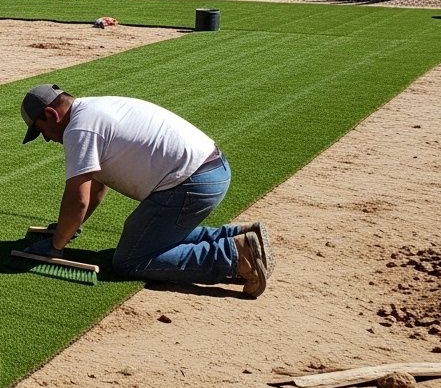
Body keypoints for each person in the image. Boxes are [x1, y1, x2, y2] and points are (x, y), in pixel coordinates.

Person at [19, 83, 272, 297]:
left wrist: (55, 246)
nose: (48, 139)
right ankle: (241, 235)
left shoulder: (78, 129)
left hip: (192, 183)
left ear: (51, 114)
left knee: (130, 260)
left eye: (42, 131)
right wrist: (68, 228)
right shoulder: (93, 108)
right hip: (211, 170)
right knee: (146, 236)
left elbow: (79, 199)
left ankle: (235, 256)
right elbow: (95, 189)